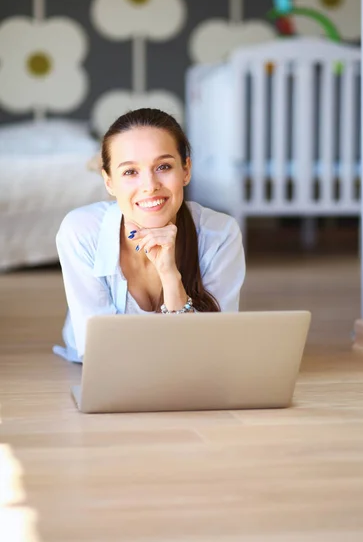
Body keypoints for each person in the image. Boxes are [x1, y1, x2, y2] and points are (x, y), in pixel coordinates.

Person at [53, 108, 246, 363]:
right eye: (130, 172)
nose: (150, 185)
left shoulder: (220, 235)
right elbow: (99, 353)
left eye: (163, 166)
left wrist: (170, 275)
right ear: (109, 182)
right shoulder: (81, 230)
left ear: (186, 170)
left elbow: (213, 351)